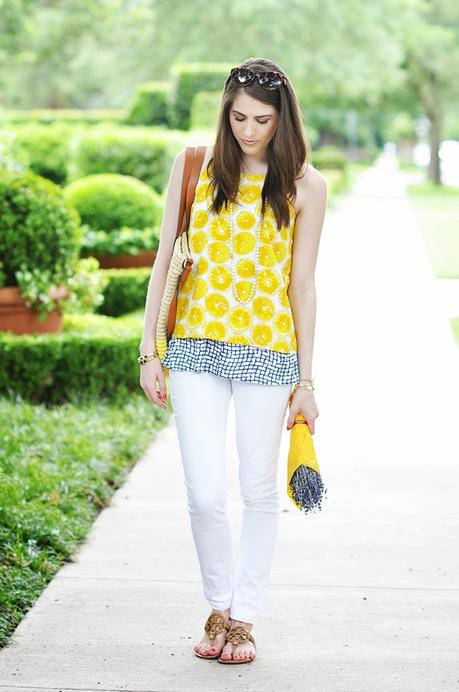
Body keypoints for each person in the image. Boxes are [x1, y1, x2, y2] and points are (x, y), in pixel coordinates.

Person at [139, 57, 327, 664]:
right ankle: (216, 604)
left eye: (262, 120)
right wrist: (150, 349)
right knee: (204, 493)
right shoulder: (194, 165)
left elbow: (302, 285)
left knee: (257, 488)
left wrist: (306, 379)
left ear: (284, 119)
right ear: (226, 112)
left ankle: (243, 617)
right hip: (194, 349)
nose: (249, 130)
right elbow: (165, 257)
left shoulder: (305, 184)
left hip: (269, 355)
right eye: (239, 117)